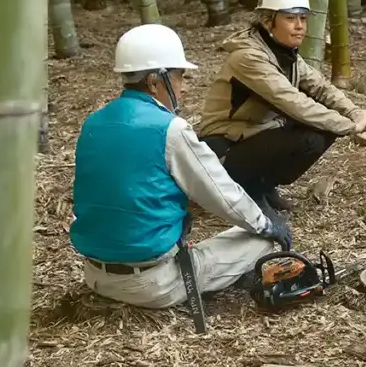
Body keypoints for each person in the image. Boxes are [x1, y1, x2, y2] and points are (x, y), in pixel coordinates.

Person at [69, 23, 293, 310]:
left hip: (95, 275)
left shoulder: (94, 122)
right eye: (179, 77)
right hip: (151, 285)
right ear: (154, 80)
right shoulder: (170, 129)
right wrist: (266, 224)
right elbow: (221, 193)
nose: (183, 87)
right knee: (260, 243)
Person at [198, 0, 366, 212]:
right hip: (222, 147)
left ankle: (263, 185)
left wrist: (353, 111)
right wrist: (348, 125)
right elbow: (293, 103)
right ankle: (246, 190)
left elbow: (320, 87)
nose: (299, 25)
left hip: (253, 134)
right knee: (310, 133)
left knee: (320, 133)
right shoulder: (248, 57)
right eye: (290, 18)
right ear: (267, 21)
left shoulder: (284, 53)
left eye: (303, 18)